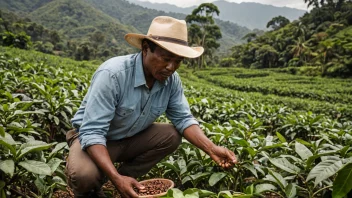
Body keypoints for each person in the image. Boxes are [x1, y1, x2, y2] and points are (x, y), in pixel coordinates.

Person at [65, 16, 238, 198]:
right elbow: (92, 132)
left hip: (129, 138)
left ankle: (125, 179)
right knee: (84, 175)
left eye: (178, 61)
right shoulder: (113, 74)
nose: (171, 67)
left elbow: (183, 119)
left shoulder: (171, 81)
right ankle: (98, 187)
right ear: (146, 49)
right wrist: (115, 177)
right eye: (165, 58)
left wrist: (212, 149)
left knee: (171, 135)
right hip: (92, 139)